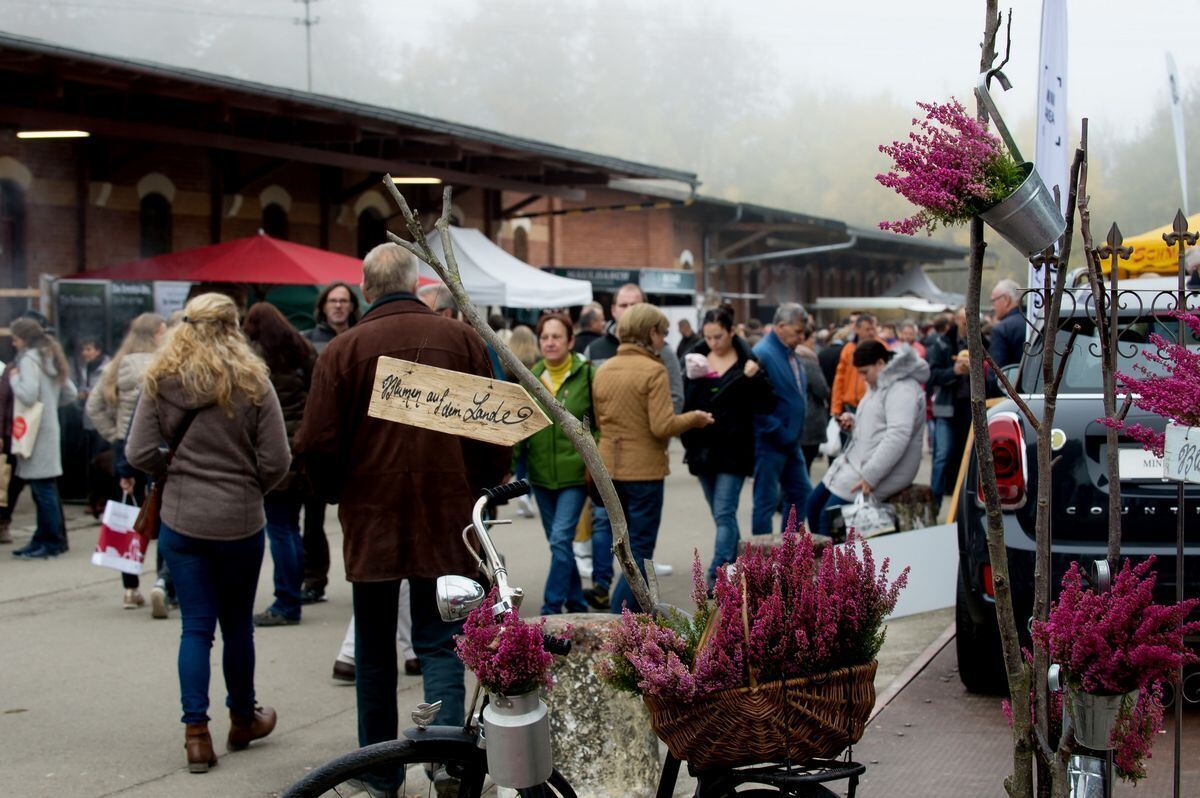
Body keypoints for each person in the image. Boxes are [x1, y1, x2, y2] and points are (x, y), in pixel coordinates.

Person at [294, 243, 510, 794]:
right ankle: (445, 759)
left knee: (373, 650)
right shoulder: (460, 339)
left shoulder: (344, 351)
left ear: (366, 289)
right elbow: (493, 427)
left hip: (373, 521)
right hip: (447, 517)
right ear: (416, 283)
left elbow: (315, 443)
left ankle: (379, 771)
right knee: (440, 642)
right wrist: (483, 489)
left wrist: (339, 492)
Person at [126, 293, 290, 773]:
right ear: (233, 327)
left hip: (182, 517)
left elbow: (137, 452)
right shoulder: (253, 380)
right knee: (238, 625)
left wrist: (172, 472)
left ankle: (196, 734)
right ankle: (243, 718)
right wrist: (249, 485)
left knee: (195, 628)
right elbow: (278, 460)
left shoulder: (161, 379)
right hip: (240, 520)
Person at [593, 303, 713, 613]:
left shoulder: (603, 369)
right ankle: (619, 618)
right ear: (651, 333)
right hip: (644, 471)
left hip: (609, 469)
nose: (664, 341)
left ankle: (624, 613)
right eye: (663, 334)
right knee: (641, 551)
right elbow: (662, 426)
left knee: (621, 545)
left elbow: (599, 420)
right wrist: (693, 419)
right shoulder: (654, 370)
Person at [681, 307, 773, 585]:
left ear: (732, 331)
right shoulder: (696, 359)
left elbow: (766, 401)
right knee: (722, 515)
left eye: (718, 336)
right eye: (708, 337)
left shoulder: (748, 361)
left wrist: (754, 377)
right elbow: (685, 403)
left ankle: (717, 574)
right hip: (702, 450)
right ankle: (736, 567)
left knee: (723, 513)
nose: (713, 343)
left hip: (734, 449)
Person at [514, 312, 596, 615]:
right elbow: (521, 425)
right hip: (541, 477)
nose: (550, 343)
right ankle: (577, 602)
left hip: (575, 475)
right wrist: (510, 466)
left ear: (571, 340)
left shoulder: (587, 373)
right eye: (545, 337)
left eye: (556, 336)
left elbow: (598, 423)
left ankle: (550, 608)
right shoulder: (530, 375)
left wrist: (594, 456)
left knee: (561, 539)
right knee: (559, 546)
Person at [86, 313, 167, 610]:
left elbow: (94, 406)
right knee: (163, 516)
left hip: (124, 447)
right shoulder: (164, 365)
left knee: (130, 518)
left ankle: (130, 590)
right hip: (156, 447)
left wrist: (114, 434)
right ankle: (163, 582)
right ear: (158, 333)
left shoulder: (115, 366)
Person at [806, 340, 929, 536]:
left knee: (827, 520)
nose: (863, 378)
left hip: (878, 470)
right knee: (813, 506)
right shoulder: (879, 383)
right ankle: (827, 563)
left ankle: (833, 566)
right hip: (858, 464)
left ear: (881, 363)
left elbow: (897, 436)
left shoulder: (902, 389)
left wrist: (871, 476)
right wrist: (853, 422)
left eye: (865, 372)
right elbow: (876, 423)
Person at [243, 303, 317, 627]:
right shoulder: (303, 349)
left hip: (273, 449)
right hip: (302, 449)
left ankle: (286, 601)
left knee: (280, 529)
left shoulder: (254, 359)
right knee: (293, 528)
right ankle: (294, 592)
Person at [298, 282, 360, 605]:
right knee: (312, 518)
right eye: (333, 301)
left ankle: (363, 576)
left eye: (344, 301)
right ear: (323, 306)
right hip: (323, 439)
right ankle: (313, 578)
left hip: (356, 442)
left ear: (352, 306)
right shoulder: (308, 342)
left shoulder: (362, 336)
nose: (338, 306)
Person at [8, 319, 75, 559]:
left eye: (15, 337)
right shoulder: (50, 356)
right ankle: (42, 537)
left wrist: (14, 377)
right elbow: (71, 393)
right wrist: (50, 405)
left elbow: (27, 394)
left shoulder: (28, 360)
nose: (12, 342)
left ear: (24, 338)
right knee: (44, 487)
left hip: (34, 431)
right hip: (48, 428)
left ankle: (50, 541)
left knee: (42, 489)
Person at [750, 304, 813, 536]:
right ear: (781, 326)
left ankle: (789, 549)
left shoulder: (787, 351)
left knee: (800, 492)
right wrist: (778, 429)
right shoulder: (763, 353)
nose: (801, 337)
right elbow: (755, 404)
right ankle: (760, 561)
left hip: (789, 439)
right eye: (797, 331)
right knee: (766, 502)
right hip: (771, 440)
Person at [926, 310, 972, 510]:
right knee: (942, 454)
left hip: (970, 409)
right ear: (956, 321)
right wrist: (953, 371)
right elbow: (932, 374)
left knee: (968, 457)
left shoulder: (982, 343)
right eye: (964, 322)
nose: (967, 326)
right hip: (947, 407)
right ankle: (934, 502)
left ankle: (962, 504)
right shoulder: (942, 343)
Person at [831, 314, 879, 426]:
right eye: (867, 329)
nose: (871, 332)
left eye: (873, 329)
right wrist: (836, 407)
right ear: (857, 330)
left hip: (873, 405)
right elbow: (839, 379)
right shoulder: (848, 349)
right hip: (849, 405)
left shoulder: (881, 347)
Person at [795, 322, 831, 469]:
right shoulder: (808, 361)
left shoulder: (789, 358)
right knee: (803, 468)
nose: (813, 344)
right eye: (812, 340)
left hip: (796, 422)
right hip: (810, 420)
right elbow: (821, 389)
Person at [989, 278, 1025, 369]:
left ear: (1006, 299)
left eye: (993, 301)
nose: (993, 307)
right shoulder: (1035, 321)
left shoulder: (1001, 329)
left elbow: (995, 374)